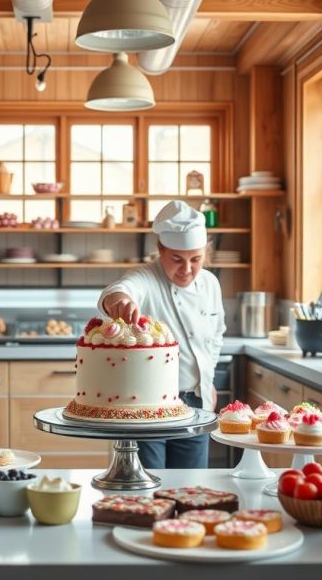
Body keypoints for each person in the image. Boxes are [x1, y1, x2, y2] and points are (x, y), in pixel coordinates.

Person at [99, 200, 226, 469]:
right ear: (160, 250)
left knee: (192, 486)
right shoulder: (145, 277)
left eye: (196, 259)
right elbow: (121, 289)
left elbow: (215, 336)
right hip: (147, 404)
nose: (187, 269)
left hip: (196, 405)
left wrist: (208, 379)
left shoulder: (211, 284)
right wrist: (119, 302)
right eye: (177, 259)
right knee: (149, 488)